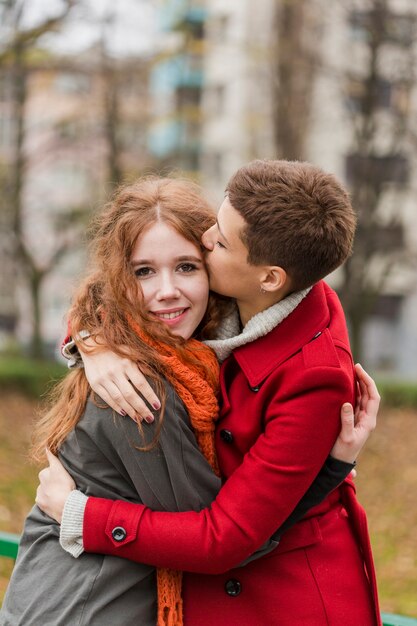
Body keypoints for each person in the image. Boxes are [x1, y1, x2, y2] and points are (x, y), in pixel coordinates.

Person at [0, 175, 370, 626]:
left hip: (275, 598)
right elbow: (226, 535)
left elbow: (228, 535)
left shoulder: (300, 367)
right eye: (142, 272)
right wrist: (91, 341)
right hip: (83, 603)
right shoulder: (143, 387)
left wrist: (83, 515)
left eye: (197, 260)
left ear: (270, 277)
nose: (208, 237)